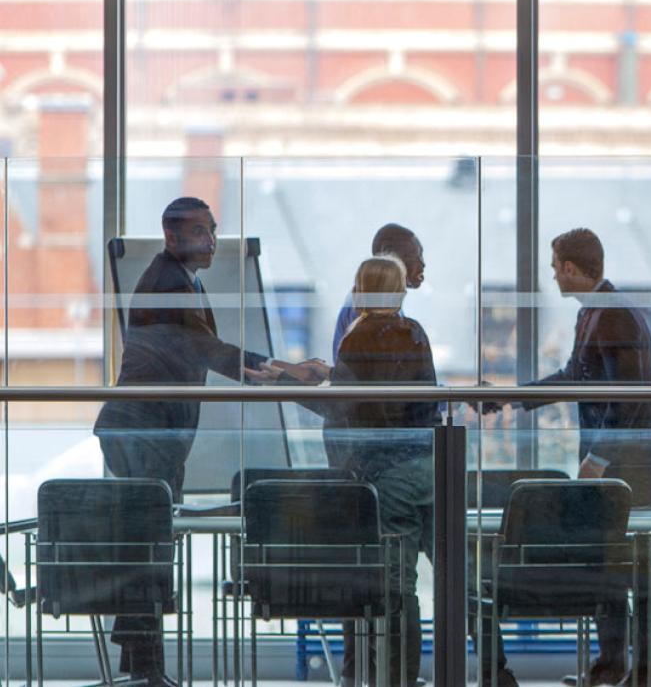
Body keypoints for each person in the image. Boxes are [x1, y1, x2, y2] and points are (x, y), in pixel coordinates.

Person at [95, 196, 326, 685]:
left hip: (154, 432)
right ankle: (145, 671)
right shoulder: (166, 285)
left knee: (150, 548)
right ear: (172, 238)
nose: (212, 241)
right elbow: (216, 353)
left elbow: (209, 353)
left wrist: (289, 374)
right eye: (201, 233)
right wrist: (290, 379)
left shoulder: (183, 280)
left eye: (214, 230)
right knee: (149, 548)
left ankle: (141, 669)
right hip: (141, 432)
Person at [481, 227, 651, 687]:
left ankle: (641, 671)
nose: (552, 275)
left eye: (554, 267)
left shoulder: (613, 316)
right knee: (609, 562)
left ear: (571, 267)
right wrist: (511, 399)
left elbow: (628, 399)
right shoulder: (596, 312)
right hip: (620, 458)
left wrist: (599, 459)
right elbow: (574, 377)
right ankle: (615, 669)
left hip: (630, 462)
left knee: (628, 564)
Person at [308, 255, 439, 687]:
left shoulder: (358, 336)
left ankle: (399, 678)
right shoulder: (415, 332)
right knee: (436, 578)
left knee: (397, 587)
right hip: (427, 466)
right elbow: (424, 402)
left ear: (361, 288)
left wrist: (294, 386)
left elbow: (348, 406)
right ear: (398, 290)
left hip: (388, 472)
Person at [331, 223, 426, 363]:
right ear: (387, 255)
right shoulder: (365, 309)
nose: (422, 264)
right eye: (413, 256)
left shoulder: (382, 306)